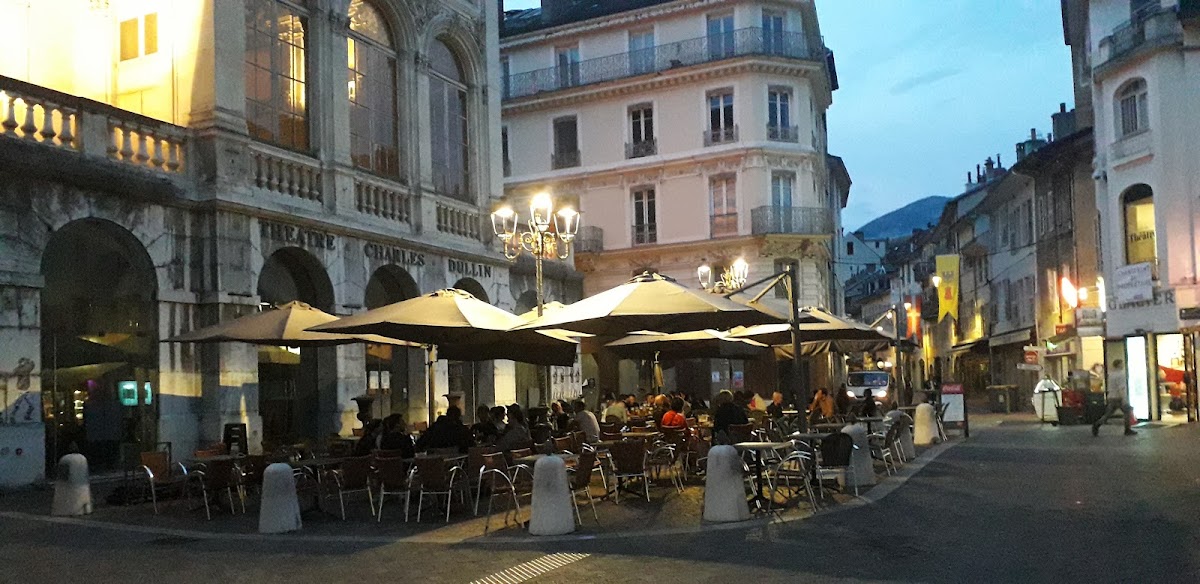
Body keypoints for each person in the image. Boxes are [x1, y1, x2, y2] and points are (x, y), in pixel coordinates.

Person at [1093, 359, 1137, 436]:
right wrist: (1124, 398)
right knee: (1127, 411)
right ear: (1119, 365)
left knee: (1108, 414)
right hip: (1118, 397)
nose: (1123, 365)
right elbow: (1121, 387)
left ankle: (1097, 424)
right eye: (1122, 363)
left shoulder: (1111, 374)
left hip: (1111, 396)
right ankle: (1127, 429)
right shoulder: (1121, 375)